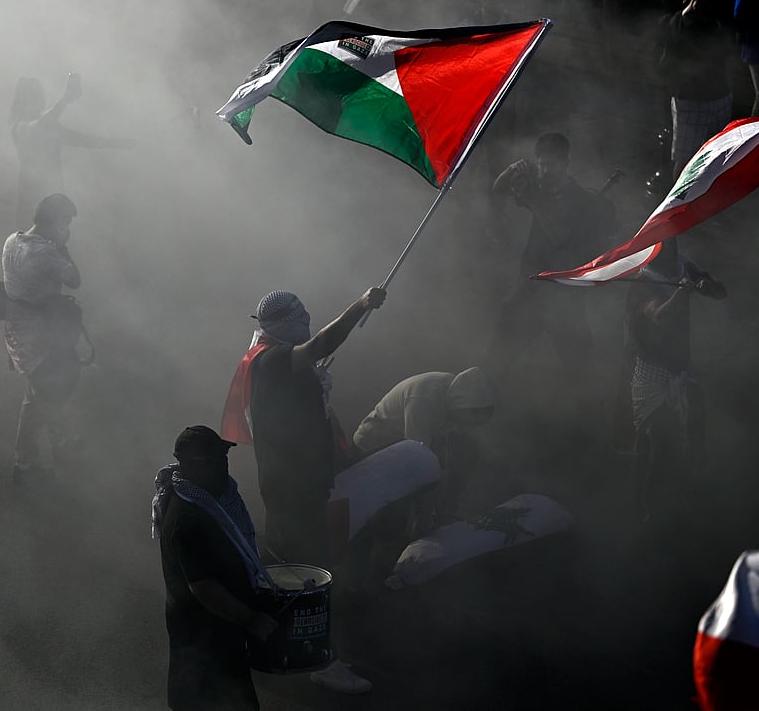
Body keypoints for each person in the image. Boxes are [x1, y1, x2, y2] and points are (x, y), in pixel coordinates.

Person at [221, 288, 384, 694]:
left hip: (288, 480)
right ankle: (318, 659)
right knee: (309, 568)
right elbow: (320, 344)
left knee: (287, 562)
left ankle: (276, 644)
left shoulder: (267, 356)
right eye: (302, 313)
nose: (308, 317)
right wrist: (360, 305)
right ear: (287, 321)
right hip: (294, 484)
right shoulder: (275, 358)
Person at [153, 426, 277, 711]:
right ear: (193, 466)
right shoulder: (188, 518)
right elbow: (204, 588)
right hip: (203, 636)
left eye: (224, 458)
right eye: (216, 460)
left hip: (219, 632)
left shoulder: (201, 499)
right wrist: (251, 619)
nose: (224, 466)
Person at [489, 133, 615, 383]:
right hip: (530, 287)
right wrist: (512, 171)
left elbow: (560, 236)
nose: (545, 171)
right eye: (541, 164)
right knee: (498, 358)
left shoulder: (580, 200)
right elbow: (497, 190)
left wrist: (533, 201)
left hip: (562, 294)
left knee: (579, 366)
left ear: (565, 163)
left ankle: (587, 411)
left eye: (551, 165)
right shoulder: (538, 186)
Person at [624, 241, 725, 524]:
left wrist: (705, 285)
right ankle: (646, 510)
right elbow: (659, 315)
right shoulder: (643, 280)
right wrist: (684, 290)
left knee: (693, 439)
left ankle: (682, 499)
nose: (670, 251)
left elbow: (721, 292)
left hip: (682, 369)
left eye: (672, 242)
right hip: (652, 373)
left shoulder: (685, 266)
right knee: (656, 445)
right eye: (663, 246)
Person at [3, 193, 83, 484]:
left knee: (47, 390)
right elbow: (74, 279)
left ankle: (59, 440)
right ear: (58, 222)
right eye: (66, 223)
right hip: (40, 338)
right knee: (39, 399)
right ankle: (23, 466)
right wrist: (62, 245)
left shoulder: (13, 240)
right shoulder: (47, 252)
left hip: (19, 333)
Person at [352, 368, 495, 520]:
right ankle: (415, 522)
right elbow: (417, 459)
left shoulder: (452, 390)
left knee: (467, 451)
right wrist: (427, 508)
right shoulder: (423, 400)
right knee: (404, 501)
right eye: (467, 420)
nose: (464, 425)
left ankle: (445, 511)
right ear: (463, 405)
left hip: (404, 442)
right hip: (372, 447)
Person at [8, 74, 124, 228]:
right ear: (22, 102)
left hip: (55, 195)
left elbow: (84, 140)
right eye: (31, 97)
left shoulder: (50, 125)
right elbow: (39, 126)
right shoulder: (20, 127)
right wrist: (65, 99)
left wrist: (118, 144)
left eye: (38, 97)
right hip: (32, 199)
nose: (36, 102)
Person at [657, 0, 732, 179]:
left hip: (719, 97)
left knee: (716, 154)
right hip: (692, 100)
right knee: (685, 158)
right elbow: (697, 4)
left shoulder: (713, 23)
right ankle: (676, 203)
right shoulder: (681, 22)